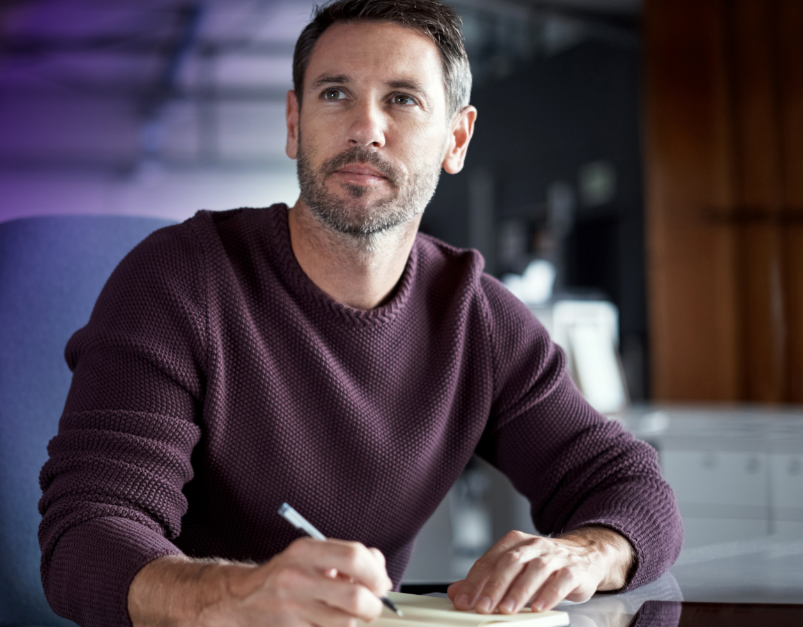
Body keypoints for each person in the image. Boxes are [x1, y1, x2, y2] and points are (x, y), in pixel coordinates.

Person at [37, 1, 683, 626]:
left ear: (456, 138)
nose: (364, 128)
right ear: (294, 124)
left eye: (402, 98)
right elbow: (87, 533)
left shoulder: (477, 317)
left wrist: (590, 549)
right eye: (334, 94)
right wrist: (233, 596)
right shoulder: (179, 280)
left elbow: (628, 484)